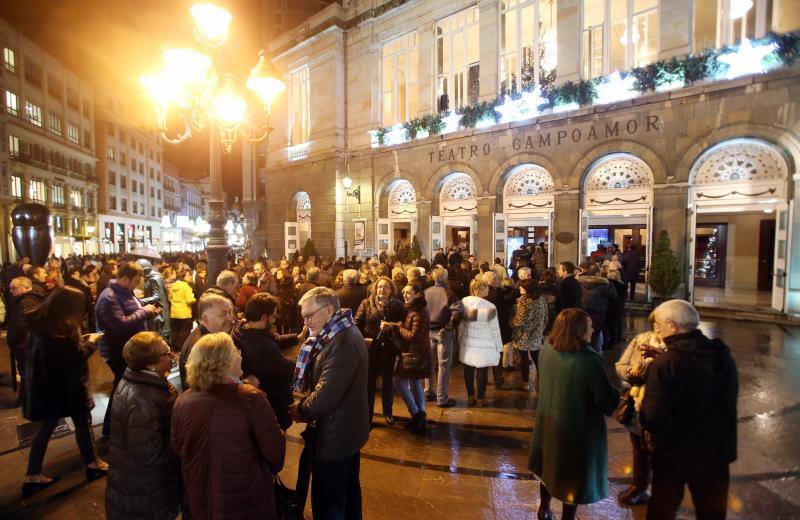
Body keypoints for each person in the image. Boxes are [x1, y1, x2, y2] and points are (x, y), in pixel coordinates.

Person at [641, 300, 738, 520]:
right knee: (712, 509)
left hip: (675, 453)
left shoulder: (667, 363)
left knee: (663, 507)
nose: (656, 330)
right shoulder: (722, 356)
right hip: (717, 450)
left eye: (658, 325)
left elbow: (653, 415)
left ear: (672, 326)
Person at [172, 332, 286, 519]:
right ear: (223, 361)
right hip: (245, 498)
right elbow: (275, 454)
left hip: (200, 495)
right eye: (235, 351)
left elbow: (178, 448)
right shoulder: (250, 398)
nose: (240, 355)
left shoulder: (183, 400)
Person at [528, 308, 620, 520]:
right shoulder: (588, 360)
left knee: (548, 467)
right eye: (589, 326)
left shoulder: (547, 350)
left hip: (548, 421)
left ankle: (544, 509)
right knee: (572, 477)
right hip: (576, 428)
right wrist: (619, 390)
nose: (593, 329)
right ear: (578, 330)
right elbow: (607, 401)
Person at [289, 287, 369, 519]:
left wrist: (301, 408)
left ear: (330, 310)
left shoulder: (342, 342)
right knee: (346, 493)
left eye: (309, 316)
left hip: (337, 434)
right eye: (303, 316)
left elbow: (326, 395)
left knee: (330, 500)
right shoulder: (336, 332)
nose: (306, 322)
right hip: (345, 430)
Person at [22, 287, 108, 498]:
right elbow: (75, 358)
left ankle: (32, 475)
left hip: (44, 387)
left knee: (44, 430)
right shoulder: (64, 329)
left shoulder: (39, 321)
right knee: (83, 424)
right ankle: (93, 464)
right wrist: (90, 342)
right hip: (67, 387)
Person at [105, 332, 179, 520]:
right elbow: (150, 455)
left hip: (134, 487)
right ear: (151, 363)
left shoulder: (136, 380)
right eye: (167, 353)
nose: (172, 357)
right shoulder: (143, 399)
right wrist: (182, 446)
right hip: (145, 494)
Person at [95, 261, 161, 436]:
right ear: (125, 279)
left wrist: (147, 310)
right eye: (135, 281)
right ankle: (111, 429)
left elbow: (132, 311)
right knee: (121, 388)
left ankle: (117, 427)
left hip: (129, 347)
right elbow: (120, 324)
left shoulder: (124, 292)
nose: (137, 285)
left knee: (122, 387)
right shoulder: (109, 297)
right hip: (118, 351)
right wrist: (144, 312)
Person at [614, 313, 667, 506]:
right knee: (638, 447)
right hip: (637, 403)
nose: (658, 328)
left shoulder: (674, 348)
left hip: (660, 406)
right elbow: (620, 365)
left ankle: (663, 492)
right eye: (656, 323)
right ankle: (639, 486)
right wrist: (630, 372)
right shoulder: (640, 340)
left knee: (662, 451)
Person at [231, 294, 297, 431]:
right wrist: (306, 359)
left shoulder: (240, 329)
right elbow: (286, 369)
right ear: (263, 318)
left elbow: (273, 339)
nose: (274, 319)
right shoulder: (265, 347)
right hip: (273, 401)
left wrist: (296, 338)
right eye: (273, 316)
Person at [354, 276, 406, 425]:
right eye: (380, 287)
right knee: (369, 383)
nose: (382, 289)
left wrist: (392, 326)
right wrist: (363, 339)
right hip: (371, 349)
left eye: (386, 287)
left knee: (387, 382)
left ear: (391, 290)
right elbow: (357, 323)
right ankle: (368, 414)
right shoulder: (366, 303)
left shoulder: (397, 305)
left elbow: (403, 325)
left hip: (389, 349)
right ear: (376, 289)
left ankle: (387, 412)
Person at [385, 283, 431, 434]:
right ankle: (419, 418)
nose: (405, 295)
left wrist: (398, 327)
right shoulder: (414, 309)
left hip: (415, 353)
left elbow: (414, 336)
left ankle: (417, 414)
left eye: (409, 292)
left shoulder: (418, 312)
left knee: (399, 382)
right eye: (404, 292)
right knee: (415, 383)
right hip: (417, 352)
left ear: (418, 294)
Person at [458, 277, 504, 407]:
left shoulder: (464, 302)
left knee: (468, 369)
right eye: (487, 287)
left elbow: (461, 326)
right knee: (482, 371)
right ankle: (481, 399)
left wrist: (460, 340)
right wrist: (499, 347)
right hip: (486, 344)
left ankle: (470, 396)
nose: (489, 289)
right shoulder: (490, 307)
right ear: (480, 290)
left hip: (468, 342)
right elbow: (495, 330)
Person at [179, 294, 235, 388]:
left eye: (230, 312)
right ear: (205, 319)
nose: (230, 318)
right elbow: (207, 387)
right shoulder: (204, 347)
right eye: (223, 314)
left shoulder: (212, 338)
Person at [422, 268, 460, 406]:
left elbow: (420, 311)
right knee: (443, 365)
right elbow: (457, 312)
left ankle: (427, 391)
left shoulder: (426, 292)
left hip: (428, 332)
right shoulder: (449, 293)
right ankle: (442, 398)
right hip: (443, 333)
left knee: (429, 363)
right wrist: (448, 327)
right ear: (446, 277)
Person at [7, 276, 45, 404]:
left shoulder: (25, 303)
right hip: (30, 344)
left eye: (14, 288)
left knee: (26, 372)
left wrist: (14, 341)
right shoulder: (33, 299)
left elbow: (22, 328)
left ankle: (26, 399)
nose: (11, 291)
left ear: (24, 287)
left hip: (25, 345)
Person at [511, 279, 549, 390]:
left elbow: (520, 320)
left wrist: (510, 321)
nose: (519, 288)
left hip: (524, 334)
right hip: (537, 332)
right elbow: (545, 315)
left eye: (522, 287)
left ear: (528, 289)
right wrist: (542, 328)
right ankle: (543, 380)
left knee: (524, 358)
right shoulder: (541, 299)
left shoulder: (524, 301)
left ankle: (525, 383)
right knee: (536, 356)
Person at [482, 271, 515, 390]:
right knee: (497, 356)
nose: (497, 281)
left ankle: (483, 379)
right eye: (495, 279)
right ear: (490, 281)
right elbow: (502, 312)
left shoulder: (482, 293)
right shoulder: (494, 295)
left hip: (484, 330)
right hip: (497, 329)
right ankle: (499, 380)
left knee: (485, 356)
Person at [576, 262, 617, 351]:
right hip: (599, 311)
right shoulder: (604, 284)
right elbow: (613, 295)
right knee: (596, 332)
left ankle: (584, 350)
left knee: (583, 330)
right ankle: (595, 351)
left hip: (583, 310)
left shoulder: (580, 282)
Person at [138, 259, 171, 343]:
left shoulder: (154, 278)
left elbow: (157, 296)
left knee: (158, 334)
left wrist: (140, 301)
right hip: (153, 308)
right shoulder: (149, 277)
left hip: (158, 309)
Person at [168, 268, 196, 352]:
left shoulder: (173, 286)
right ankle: (181, 348)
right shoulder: (186, 286)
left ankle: (174, 347)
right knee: (184, 331)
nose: (190, 277)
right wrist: (194, 299)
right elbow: (189, 300)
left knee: (175, 331)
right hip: (184, 313)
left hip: (174, 313)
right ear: (184, 278)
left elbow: (169, 299)